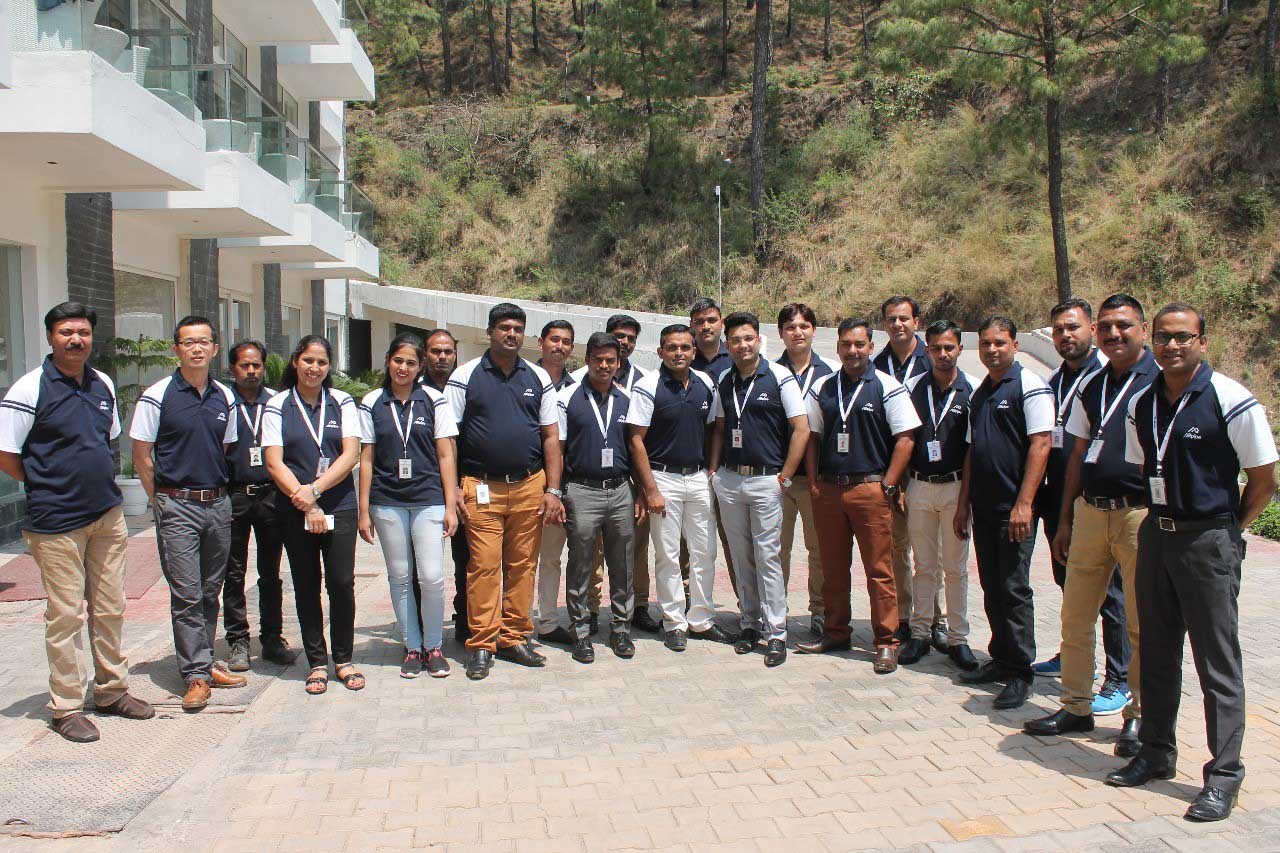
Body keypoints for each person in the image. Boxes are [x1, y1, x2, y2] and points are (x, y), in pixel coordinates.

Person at [1106, 303, 1277, 823]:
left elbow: (1264, 479)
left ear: (1202, 341)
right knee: (1156, 651)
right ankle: (1156, 752)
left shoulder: (1230, 398)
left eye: (1183, 337)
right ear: (1152, 342)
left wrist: (1228, 529)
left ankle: (1223, 774)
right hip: (1156, 536)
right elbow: (1144, 466)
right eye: (1163, 337)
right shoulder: (1141, 402)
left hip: (1208, 542)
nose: (1172, 345)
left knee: (1216, 662)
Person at [0, 302, 154, 742]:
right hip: (56, 522)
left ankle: (111, 690)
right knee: (65, 614)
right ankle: (66, 706)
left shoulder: (102, 383)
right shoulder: (29, 389)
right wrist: (47, 482)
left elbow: (108, 441)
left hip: (106, 515)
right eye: (66, 332)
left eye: (83, 332)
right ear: (50, 337)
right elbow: (7, 455)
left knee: (110, 608)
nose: (76, 340)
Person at [1025, 295, 1156, 755]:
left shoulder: (1161, 380)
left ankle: (1139, 716)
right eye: (1107, 327)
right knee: (1076, 616)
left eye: (1124, 326)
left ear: (1143, 330)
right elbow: (1078, 453)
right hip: (1089, 512)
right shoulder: (1092, 385)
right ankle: (1075, 706)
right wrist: (1065, 518)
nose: (1114, 334)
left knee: (1139, 620)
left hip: (1138, 514)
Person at [131, 315, 244, 712]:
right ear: (176, 348)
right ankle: (195, 675)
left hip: (217, 504)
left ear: (214, 348)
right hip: (176, 504)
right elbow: (142, 456)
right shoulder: (157, 396)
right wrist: (162, 500)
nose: (197, 348)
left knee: (211, 590)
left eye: (203, 342)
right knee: (186, 593)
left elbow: (225, 448)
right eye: (188, 342)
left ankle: (205, 662)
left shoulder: (225, 397)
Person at [446, 303, 566, 681]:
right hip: (480, 487)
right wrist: (453, 490)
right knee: (483, 567)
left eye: (517, 328)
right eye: (503, 327)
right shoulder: (465, 376)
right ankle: (482, 643)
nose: (511, 334)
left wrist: (553, 489)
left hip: (530, 486)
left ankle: (513, 637)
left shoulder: (537, 377)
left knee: (523, 566)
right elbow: (447, 439)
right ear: (490, 332)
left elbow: (551, 437)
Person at [796, 318, 920, 674]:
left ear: (870, 347)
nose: (853, 351)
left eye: (860, 344)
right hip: (830, 489)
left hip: (870, 489)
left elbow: (905, 439)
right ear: (837, 347)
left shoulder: (887, 386)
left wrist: (888, 485)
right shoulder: (823, 387)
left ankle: (886, 642)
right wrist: (815, 481)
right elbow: (813, 436)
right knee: (833, 568)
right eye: (846, 344)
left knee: (879, 571)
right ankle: (836, 632)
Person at [1033, 298, 1130, 711]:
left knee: (1111, 593)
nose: (1065, 336)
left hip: (1099, 502)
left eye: (1072, 327)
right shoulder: (1055, 379)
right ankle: (1073, 658)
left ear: (1091, 328)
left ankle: (1120, 677)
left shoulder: (1107, 378)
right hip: (1059, 496)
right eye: (1058, 330)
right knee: (1070, 585)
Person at [954, 317, 1054, 710]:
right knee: (992, 586)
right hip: (984, 507)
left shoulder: (1029, 386)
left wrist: (1025, 503)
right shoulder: (981, 392)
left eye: (999, 342)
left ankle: (1020, 671)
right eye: (986, 343)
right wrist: (963, 504)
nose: (992, 350)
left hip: (1015, 510)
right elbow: (972, 450)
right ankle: (1000, 657)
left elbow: (1041, 444)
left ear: (1015, 344)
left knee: (1014, 589)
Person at [262, 335, 363, 696]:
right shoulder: (277, 404)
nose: (314, 368)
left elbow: (351, 454)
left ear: (329, 366)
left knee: (341, 583)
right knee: (306, 584)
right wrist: (305, 501)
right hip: (294, 507)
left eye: (321, 362)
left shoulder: (341, 401)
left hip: (339, 505)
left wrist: (316, 491)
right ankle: (317, 662)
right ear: (295, 362)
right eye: (308, 360)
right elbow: (274, 461)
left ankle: (344, 659)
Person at [709, 312, 808, 667]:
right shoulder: (724, 379)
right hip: (731, 480)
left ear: (759, 340)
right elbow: (720, 428)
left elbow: (801, 429)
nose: (742, 345)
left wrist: (785, 477)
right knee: (741, 556)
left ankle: (776, 631)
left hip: (768, 480)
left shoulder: (779, 376)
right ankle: (749, 624)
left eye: (748, 338)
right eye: (735, 340)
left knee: (768, 557)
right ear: (728, 344)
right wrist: (714, 471)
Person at [358, 333, 459, 679]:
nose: (403, 368)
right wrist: (364, 510)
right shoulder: (372, 401)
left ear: (420, 366)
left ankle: (434, 646)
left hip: (428, 498)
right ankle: (412, 647)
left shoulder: (433, 400)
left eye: (411, 363)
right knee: (400, 577)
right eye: (398, 360)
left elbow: (445, 454)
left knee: (431, 576)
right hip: (387, 501)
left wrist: (450, 505)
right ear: (388, 360)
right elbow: (366, 458)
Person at [626, 324, 726, 652]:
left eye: (685, 347)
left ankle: (701, 619)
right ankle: (674, 622)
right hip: (663, 478)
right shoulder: (648, 386)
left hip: (698, 478)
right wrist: (650, 489)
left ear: (694, 351)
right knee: (668, 556)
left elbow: (715, 428)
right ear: (661, 352)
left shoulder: (706, 383)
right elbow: (636, 440)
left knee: (704, 552)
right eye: (672, 347)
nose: (678, 353)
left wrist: (711, 469)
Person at [898, 320, 981, 670]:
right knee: (924, 566)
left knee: (955, 568)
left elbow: (973, 449)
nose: (943, 354)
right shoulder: (913, 387)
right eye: (936, 348)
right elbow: (903, 438)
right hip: (919, 486)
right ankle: (920, 634)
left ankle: (958, 638)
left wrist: (965, 502)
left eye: (949, 347)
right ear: (927, 349)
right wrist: (902, 486)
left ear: (960, 348)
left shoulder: (973, 389)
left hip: (956, 487)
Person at [558, 332, 643, 662]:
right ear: (587, 360)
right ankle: (580, 632)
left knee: (623, 563)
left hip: (621, 489)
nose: (604, 366)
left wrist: (640, 491)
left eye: (611, 361)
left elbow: (635, 448)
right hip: (582, 490)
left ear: (618, 363)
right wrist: (557, 492)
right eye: (598, 360)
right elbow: (558, 449)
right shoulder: (568, 397)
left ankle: (621, 629)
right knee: (580, 564)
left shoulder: (628, 399)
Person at [572, 315, 659, 634]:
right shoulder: (574, 386)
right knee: (588, 555)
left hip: (625, 484)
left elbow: (638, 443)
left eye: (630, 339)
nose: (624, 343)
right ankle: (590, 611)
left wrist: (642, 489)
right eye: (619, 336)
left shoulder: (642, 383)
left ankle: (636, 610)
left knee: (631, 553)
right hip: (585, 484)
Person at [221, 340, 296, 672]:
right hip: (234, 494)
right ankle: (238, 640)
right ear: (232, 368)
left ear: (264, 367)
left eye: (256, 365)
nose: (251, 371)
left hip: (270, 494)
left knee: (270, 571)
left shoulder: (276, 403)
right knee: (233, 572)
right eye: (244, 365)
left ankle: (272, 638)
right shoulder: (223, 402)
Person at [872, 296, 941, 647]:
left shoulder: (934, 358)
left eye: (904, 318)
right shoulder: (876, 365)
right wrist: (892, 479)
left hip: (929, 469)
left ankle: (936, 618)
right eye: (891, 319)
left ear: (917, 321)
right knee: (897, 547)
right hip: (894, 470)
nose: (897, 324)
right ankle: (903, 616)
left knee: (930, 551)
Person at [775, 303, 837, 638]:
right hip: (778, 479)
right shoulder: (770, 372)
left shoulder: (830, 374)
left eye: (803, 326)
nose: (797, 332)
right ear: (780, 333)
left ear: (814, 330)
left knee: (819, 550)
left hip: (817, 480)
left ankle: (820, 611)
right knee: (776, 550)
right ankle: (775, 611)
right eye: (790, 327)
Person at [531, 320, 585, 643]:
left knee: (551, 557)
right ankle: (515, 622)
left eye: (566, 342)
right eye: (554, 339)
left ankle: (548, 622)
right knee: (520, 559)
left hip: (563, 487)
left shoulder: (577, 388)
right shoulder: (525, 378)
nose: (559, 346)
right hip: (526, 483)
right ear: (541, 343)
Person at [421, 328, 471, 642]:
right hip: (423, 489)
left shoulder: (465, 386)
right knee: (424, 568)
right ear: (425, 354)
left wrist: (461, 485)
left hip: (462, 490)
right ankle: (422, 631)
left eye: (448, 352)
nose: (442, 357)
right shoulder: (413, 390)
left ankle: (466, 619)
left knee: (466, 559)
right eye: (436, 351)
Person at [690, 297, 733, 380]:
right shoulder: (683, 359)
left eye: (712, 320)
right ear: (691, 325)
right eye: (699, 322)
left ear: (722, 323)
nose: (706, 327)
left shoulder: (735, 357)